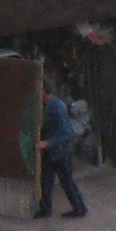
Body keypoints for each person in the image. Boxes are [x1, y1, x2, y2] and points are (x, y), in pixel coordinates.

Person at [34, 73, 89, 219]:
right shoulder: (45, 105)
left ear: (44, 91)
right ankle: (45, 208)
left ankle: (80, 208)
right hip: (51, 151)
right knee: (45, 180)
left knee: (67, 181)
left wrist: (47, 142)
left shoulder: (57, 107)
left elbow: (66, 132)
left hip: (61, 151)